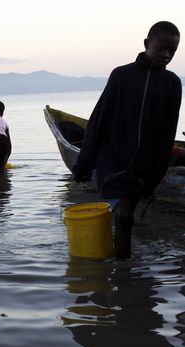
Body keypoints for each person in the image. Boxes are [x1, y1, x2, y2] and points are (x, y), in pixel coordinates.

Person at [72, 21, 181, 259]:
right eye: (161, 48)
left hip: (144, 165)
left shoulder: (172, 83)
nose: (167, 55)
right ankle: (123, 274)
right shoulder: (121, 76)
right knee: (123, 215)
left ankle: (122, 267)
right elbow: (98, 120)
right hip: (113, 158)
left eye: (172, 51)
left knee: (126, 217)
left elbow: (166, 133)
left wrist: (157, 173)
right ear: (146, 44)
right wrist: (84, 164)